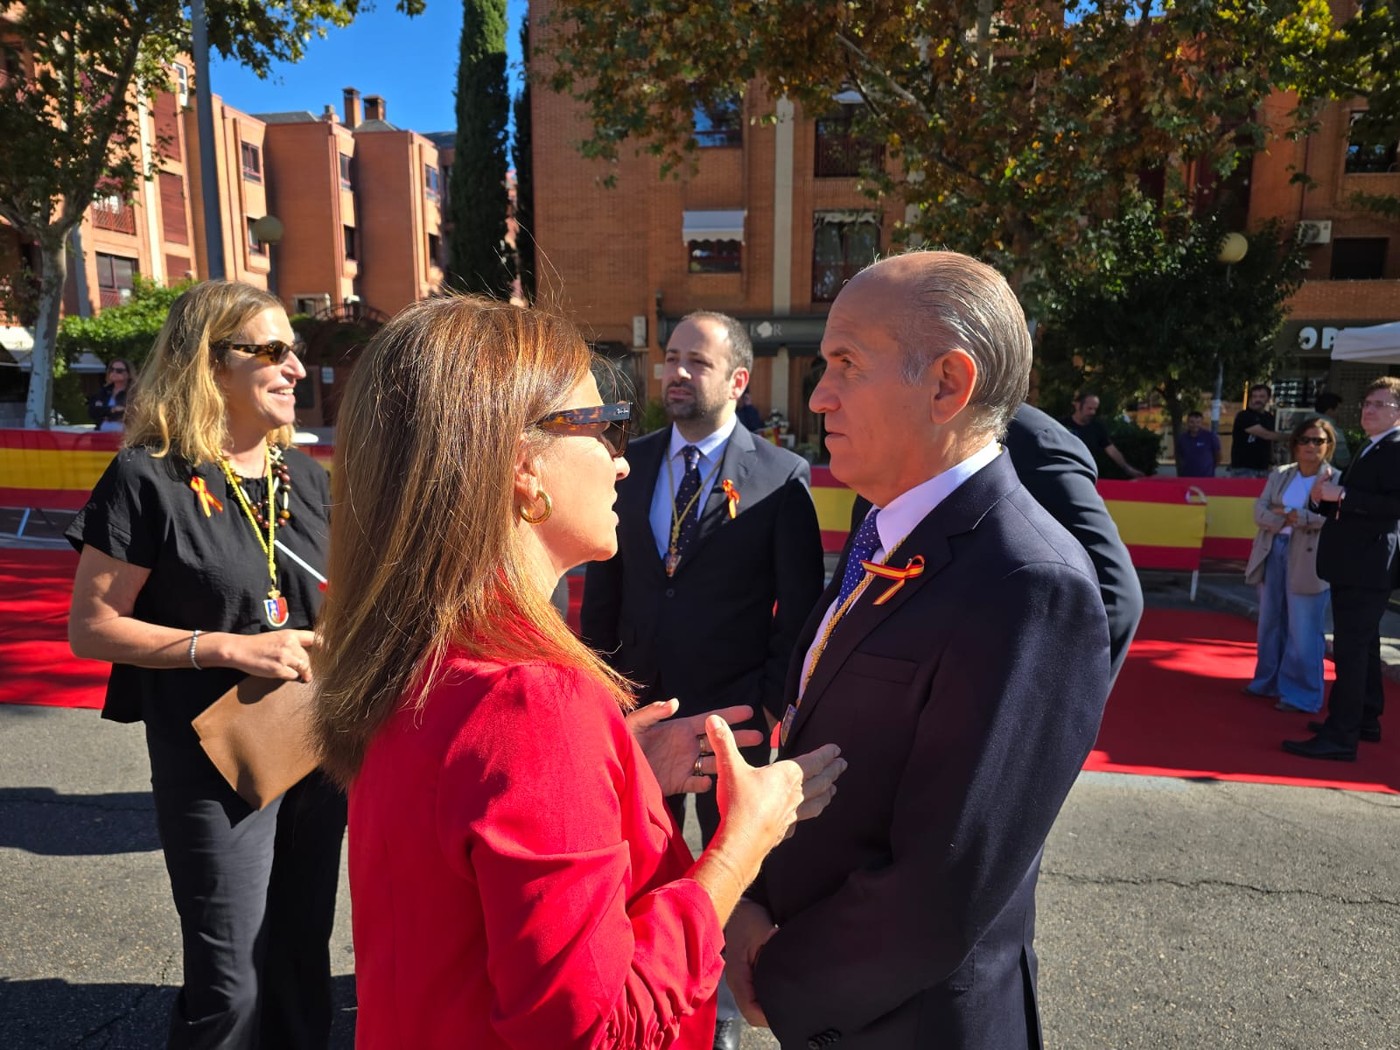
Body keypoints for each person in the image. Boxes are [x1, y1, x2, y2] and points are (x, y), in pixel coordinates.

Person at [311, 295, 845, 1049]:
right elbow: (599, 1031)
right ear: (524, 469)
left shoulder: (425, 650)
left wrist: (615, 768)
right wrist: (740, 848)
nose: (625, 458)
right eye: (602, 428)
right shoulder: (533, 702)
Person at [725, 250, 1111, 1048]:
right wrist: (755, 898)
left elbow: (944, 887)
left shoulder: (1027, 580)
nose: (818, 394)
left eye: (845, 365)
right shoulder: (885, 524)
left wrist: (780, 972)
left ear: (947, 385)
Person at [66, 281, 346, 1048]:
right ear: (211, 363)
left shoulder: (309, 481)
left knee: (299, 960)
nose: (295, 369)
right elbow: (91, 629)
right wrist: (225, 646)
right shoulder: (146, 477)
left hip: (312, 752)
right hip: (211, 762)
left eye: (295, 352)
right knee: (230, 985)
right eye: (273, 351)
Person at [581, 310, 825, 1050]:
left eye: (698, 362)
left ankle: (713, 1014)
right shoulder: (629, 462)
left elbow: (800, 612)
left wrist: (768, 707)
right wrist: (602, 693)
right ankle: (629, 998)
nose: (677, 373)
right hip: (639, 714)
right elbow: (607, 589)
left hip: (732, 725)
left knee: (727, 873)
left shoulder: (782, 480)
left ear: (739, 380)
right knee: (635, 860)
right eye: (672, 358)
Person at [853, 400, 1143, 684]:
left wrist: (1029, 712)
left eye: (849, 363)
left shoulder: (1029, 443)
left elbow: (1115, 596)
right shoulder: (886, 440)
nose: (820, 399)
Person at [1284, 377, 1400, 761]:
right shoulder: (1374, 446)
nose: (1368, 410)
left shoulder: (1395, 448)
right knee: (1363, 647)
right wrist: (1323, 497)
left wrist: (1342, 494)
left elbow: (1391, 507)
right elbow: (1349, 502)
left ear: (1397, 412)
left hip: (1366, 564)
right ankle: (1364, 718)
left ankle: (1341, 734)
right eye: (1367, 403)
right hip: (1355, 561)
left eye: (1379, 405)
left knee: (1350, 650)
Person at [1242, 418, 1336, 714]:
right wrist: (1288, 517)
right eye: (1305, 440)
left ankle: (1302, 695)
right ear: (1295, 444)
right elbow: (1260, 510)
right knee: (1270, 622)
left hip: (1309, 558)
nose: (1311, 446)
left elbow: (1329, 519)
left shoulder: (1335, 479)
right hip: (1272, 550)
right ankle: (1267, 682)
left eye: (1318, 441)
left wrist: (1295, 516)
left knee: (1303, 627)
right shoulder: (1280, 474)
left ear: (1328, 446)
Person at [1061, 391, 1145, 478]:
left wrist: (1127, 468)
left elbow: (1111, 449)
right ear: (1078, 406)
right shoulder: (1061, 426)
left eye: (1095, 409)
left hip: (1087, 473)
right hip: (1064, 471)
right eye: (1089, 408)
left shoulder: (1097, 427)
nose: (1092, 412)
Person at [1229, 383, 1286, 477]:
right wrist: (1292, 436)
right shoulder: (1244, 416)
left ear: (1268, 398)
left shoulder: (1269, 417)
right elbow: (1266, 435)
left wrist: (1271, 461)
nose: (1257, 399)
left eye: (1262, 396)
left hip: (1264, 468)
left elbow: (1270, 441)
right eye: (1254, 396)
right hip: (1244, 469)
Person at [1309, 391, 1352, 470]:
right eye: (1339, 409)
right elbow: (1343, 461)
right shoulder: (1334, 432)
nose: (1340, 413)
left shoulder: (1301, 428)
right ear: (1330, 410)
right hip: (1326, 476)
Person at [88, 357, 132, 431]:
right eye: (112, 369)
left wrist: (106, 414)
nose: (114, 372)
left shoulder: (134, 392)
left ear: (128, 374)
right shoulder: (103, 391)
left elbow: (133, 413)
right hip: (101, 436)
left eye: (119, 371)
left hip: (125, 437)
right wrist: (112, 409)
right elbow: (93, 412)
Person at [1175, 410, 1221, 477]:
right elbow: (1179, 455)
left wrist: (1210, 468)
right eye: (1192, 422)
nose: (1195, 425)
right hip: (1187, 477)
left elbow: (1218, 455)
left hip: (1206, 477)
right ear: (1187, 422)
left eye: (1198, 422)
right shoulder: (1182, 438)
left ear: (1201, 423)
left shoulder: (1210, 436)